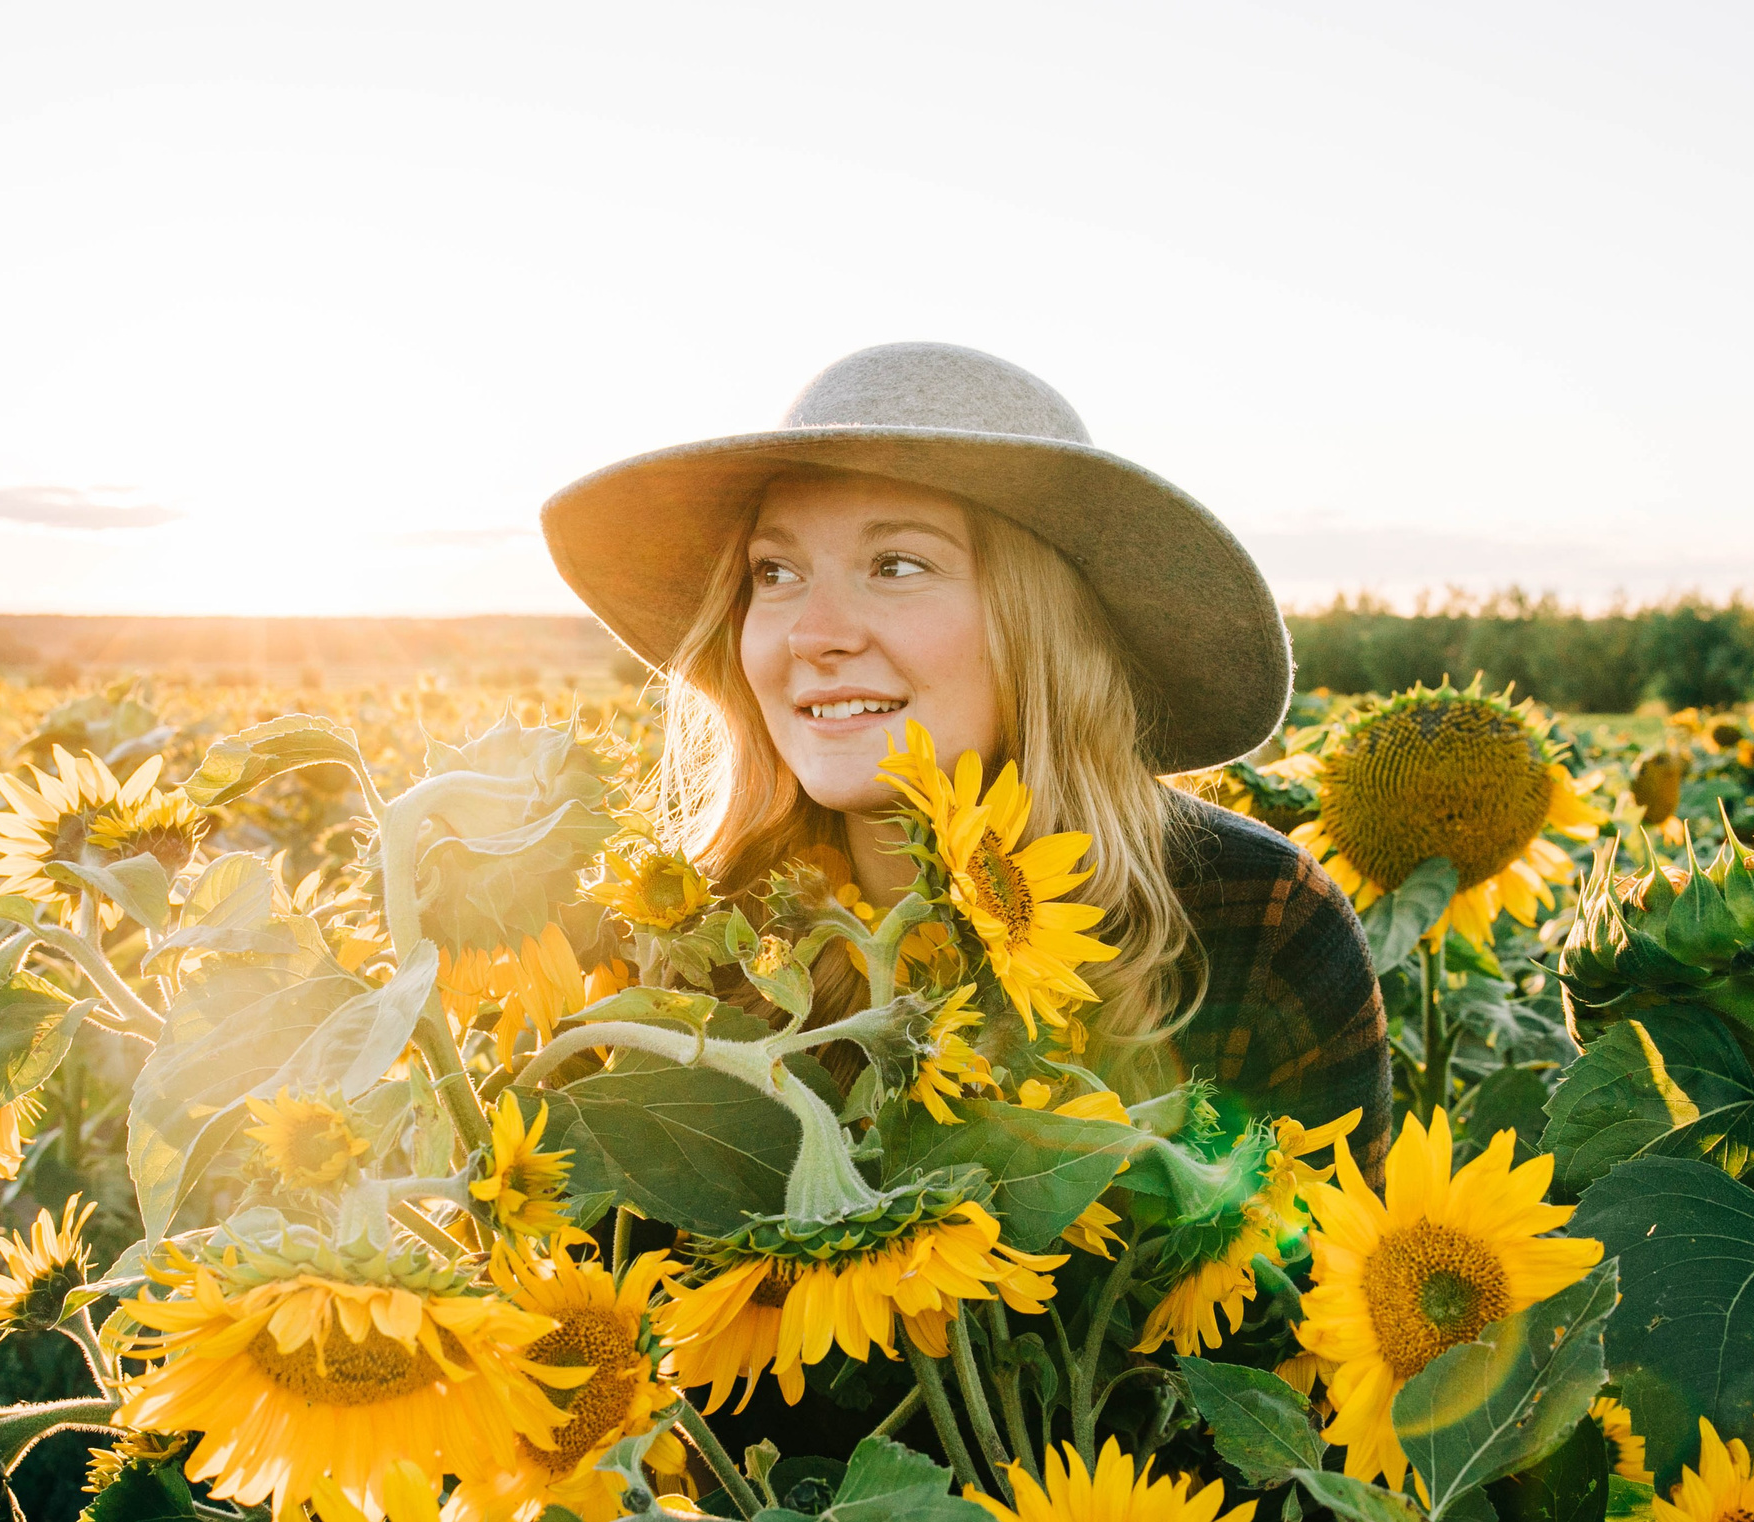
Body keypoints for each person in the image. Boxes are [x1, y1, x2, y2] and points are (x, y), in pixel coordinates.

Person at [543, 341, 1388, 1152]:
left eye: (898, 565)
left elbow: (1300, 1291)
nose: (814, 634)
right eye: (775, 572)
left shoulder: (1256, 921)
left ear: (1042, 627)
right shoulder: (668, 946)